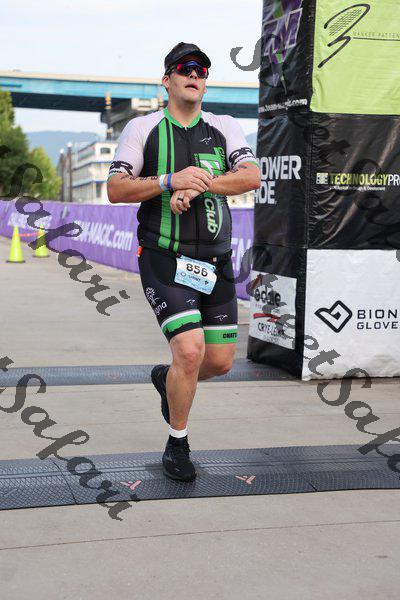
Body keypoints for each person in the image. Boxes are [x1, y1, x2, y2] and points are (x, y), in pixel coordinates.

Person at [107, 42, 260, 483]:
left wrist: (198, 185)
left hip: (216, 262)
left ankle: (167, 378)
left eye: (202, 70)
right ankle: (178, 442)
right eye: (185, 68)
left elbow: (251, 176)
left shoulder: (224, 126)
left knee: (219, 362)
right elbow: (116, 188)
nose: (195, 74)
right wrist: (169, 180)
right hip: (165, 259)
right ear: (167, 79)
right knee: (190, 353)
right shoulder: (143, 128)